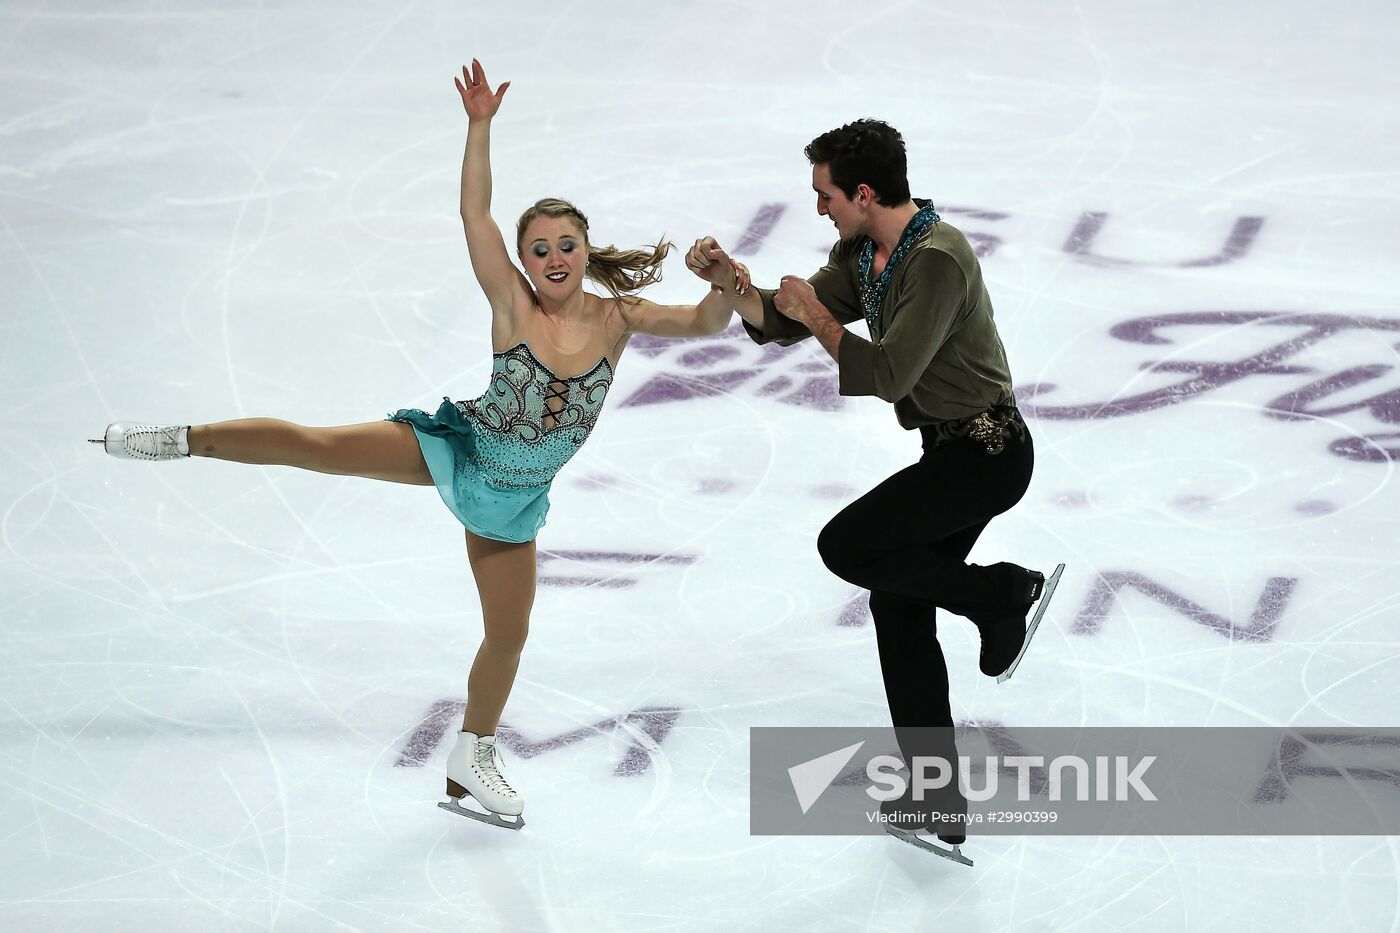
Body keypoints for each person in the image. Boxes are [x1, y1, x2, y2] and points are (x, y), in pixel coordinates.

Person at [90, 60, 751, 831]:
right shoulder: (512, 303)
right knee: (318, 444)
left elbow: (706, 325)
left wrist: (726, 285)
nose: (553, 258)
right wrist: (479, 128)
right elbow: (476, 217)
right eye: (538, 249)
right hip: (460, 450)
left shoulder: (620, 317)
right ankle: (181, 439)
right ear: (526, 262)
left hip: (512, 502)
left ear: (584, 245)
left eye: (565, 243)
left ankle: (472, 755)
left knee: (509, 636)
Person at [686, 119, 1062, 862]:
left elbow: (889, 373)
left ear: (863, 192)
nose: (819, 208)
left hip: (988, 456)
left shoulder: (939, 259)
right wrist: (731, 280)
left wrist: (819, 315)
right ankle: (938, 798)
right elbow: (782, 322)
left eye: (825, 195)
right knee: (896, 599)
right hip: (946, 453)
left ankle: (997, 594)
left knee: (847, 544)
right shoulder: (864, 252)